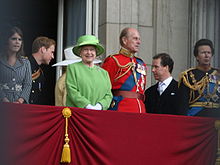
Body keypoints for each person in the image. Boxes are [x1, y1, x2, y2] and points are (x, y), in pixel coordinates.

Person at [102, 27, 147, 113]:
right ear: (125, 40)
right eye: (135, 39)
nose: (139, 42)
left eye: (139, 39)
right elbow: (104, 88)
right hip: (120, 108)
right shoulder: (113, 60)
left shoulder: (141, 63)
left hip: (140, 108)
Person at [66, 35, 112, 110]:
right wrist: (86, 105)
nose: (89, 52)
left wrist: (100, 106)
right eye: (85, 49)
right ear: (80, 52)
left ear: (96, 53)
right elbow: (72, 90)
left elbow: (108, 94)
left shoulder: (104, 73)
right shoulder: (73, 68)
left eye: (92, 49)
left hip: (98, 114)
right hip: (78, 113)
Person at [178, 39, 220, 117]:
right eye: (203, 53)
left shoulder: (218, 74)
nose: (206, 56)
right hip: (195, 117)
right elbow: (182, 104)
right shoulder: (187, 76)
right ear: (197, 56)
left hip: (215, 119)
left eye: (209, 53)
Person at [0, 26, 32, 103]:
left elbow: (28, 84)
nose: (17, 42)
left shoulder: (26, 62)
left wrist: (20, 101)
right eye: (13, 39)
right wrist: (4, 99)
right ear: (7, 41)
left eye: (19, 39)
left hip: (20, 105)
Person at [28, 36, 56, 104]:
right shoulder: (21, 65)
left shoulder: (40, 73)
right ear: (43, 49)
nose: (53, 56)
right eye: (51, 52)